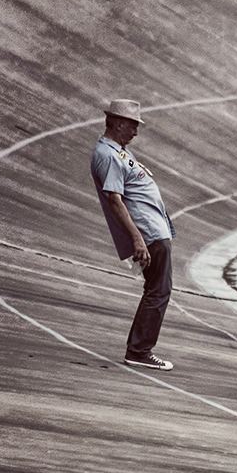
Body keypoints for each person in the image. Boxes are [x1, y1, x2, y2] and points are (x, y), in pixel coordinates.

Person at [90, 99, 177, 371]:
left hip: (154, 230)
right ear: (117, 123)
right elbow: (115, 200)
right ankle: (139, 350)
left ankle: (139, 348)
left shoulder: (119, 151)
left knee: (158, 290)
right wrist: (137, 238)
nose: (136, 131)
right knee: (158, 291)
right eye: (133, 125)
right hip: (148, 233)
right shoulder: (108, 155)